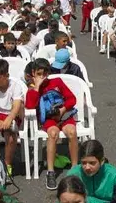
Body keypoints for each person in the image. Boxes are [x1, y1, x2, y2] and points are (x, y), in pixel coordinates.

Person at [24, 58, 79, 190]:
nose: (42, 77)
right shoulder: (32, 90)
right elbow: (30, 106)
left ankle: (75, 167)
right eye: (39, 74)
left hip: (63, 115)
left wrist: (63, 110)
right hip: (48, 119)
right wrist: (37, 87)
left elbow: (72, 99)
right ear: (33, 73)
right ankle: (50, 171)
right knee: (53, 133)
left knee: (71, 131)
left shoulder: (57, 82)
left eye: (45, 73)